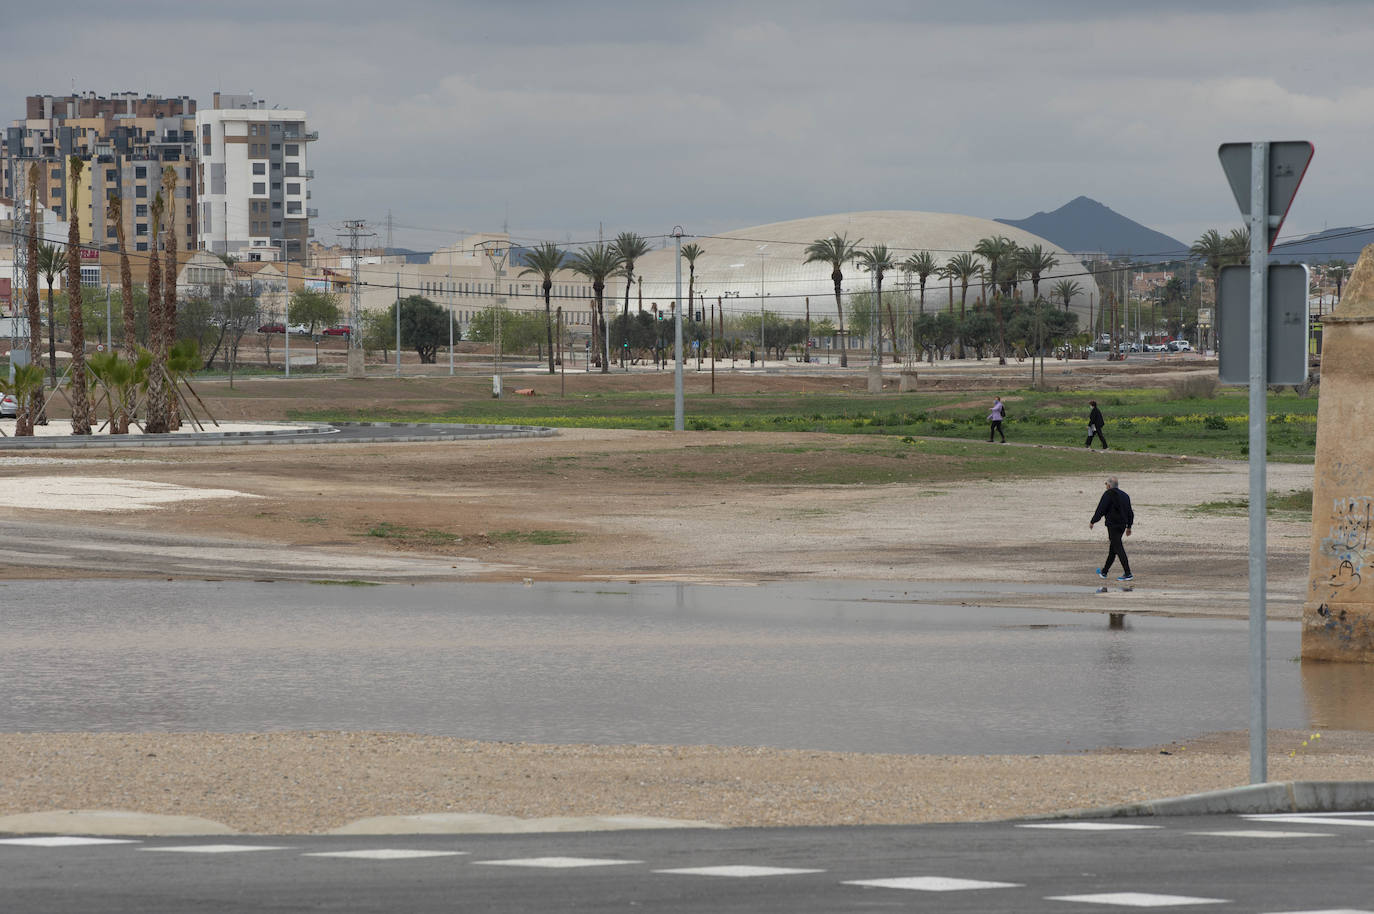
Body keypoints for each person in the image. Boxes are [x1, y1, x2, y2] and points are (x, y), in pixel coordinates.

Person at [1090, 476, 1134, 582]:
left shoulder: (1108, 494)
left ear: (1109, 485)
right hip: (1122, 525)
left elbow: (1101, 509)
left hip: (1113, 525)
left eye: (1106, 484)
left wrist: (1093, 521)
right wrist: (1129, 526)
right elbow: (1130, 512)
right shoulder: (1125, 495)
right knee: (1113, 548)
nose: (1106, 486)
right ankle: (1104, 571)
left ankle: (1128, 573)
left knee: (1118, 547)